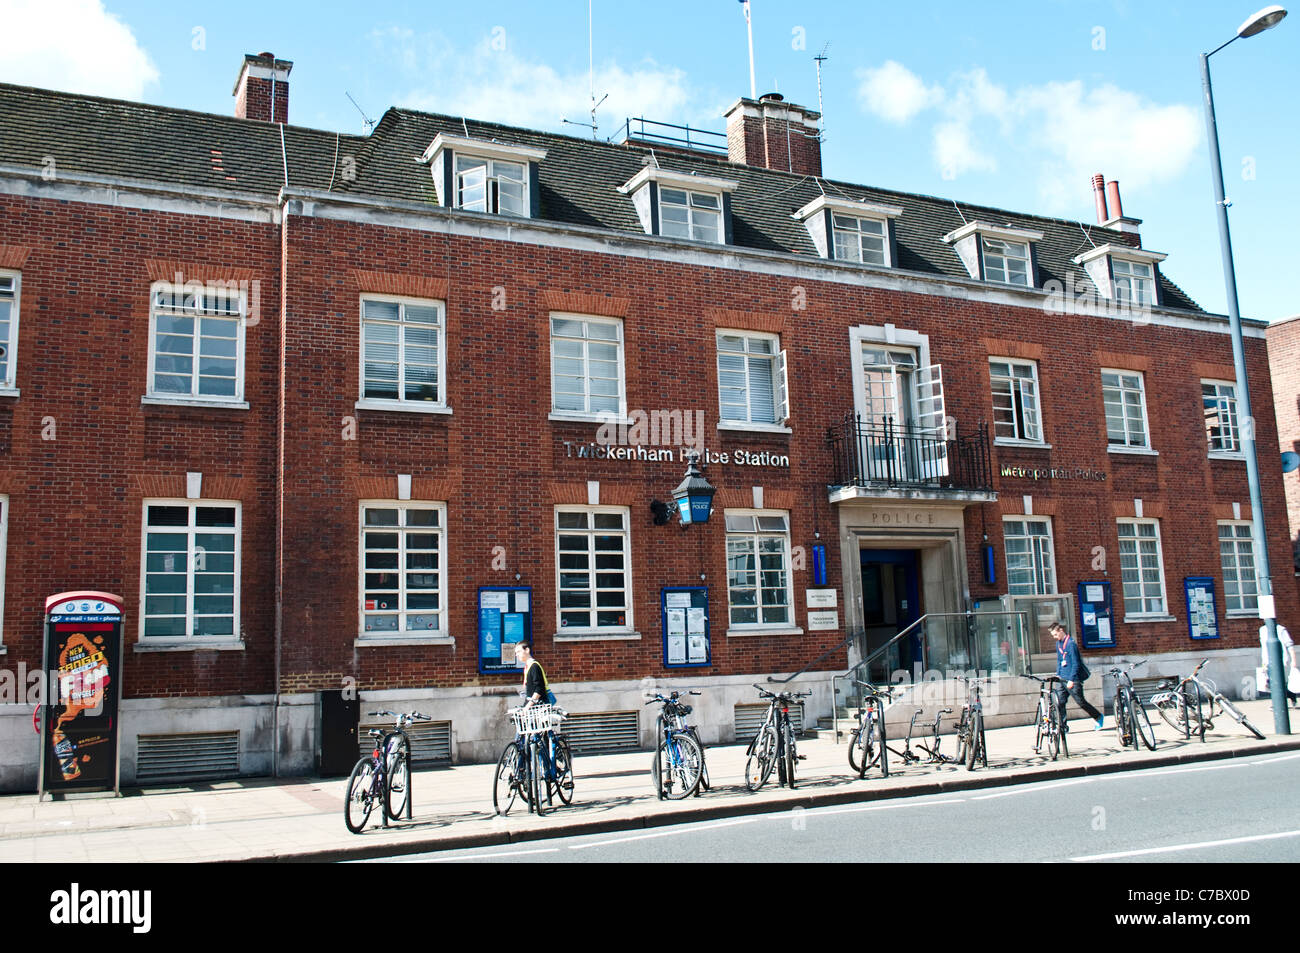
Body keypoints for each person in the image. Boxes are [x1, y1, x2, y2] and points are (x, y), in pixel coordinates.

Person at [1051, 622, 1104, 731]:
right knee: (1060, 702)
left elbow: (1076, 663)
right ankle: (1063, 726)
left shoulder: (1071, 644)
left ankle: (1098, 717)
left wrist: (1072, 679)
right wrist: (1058, 674)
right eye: (1053, 635)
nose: (1054, 637)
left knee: (1081, 702)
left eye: (1055, 634)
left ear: (1061, 630)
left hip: (1072, 679)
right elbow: (1060, 660)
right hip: (1062, 678)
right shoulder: (1058, 644)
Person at [1259, 622, 1299, 707]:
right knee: (1271, 683)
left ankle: (1289, 696)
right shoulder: (1262, 630)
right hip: (1268, 661)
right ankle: (1278, 702)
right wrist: (1263, 663)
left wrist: (1293, 660)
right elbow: (1264, 648)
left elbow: (1289, 645)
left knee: (1280, 682)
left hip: (1282, 661)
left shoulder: (1281, 630)